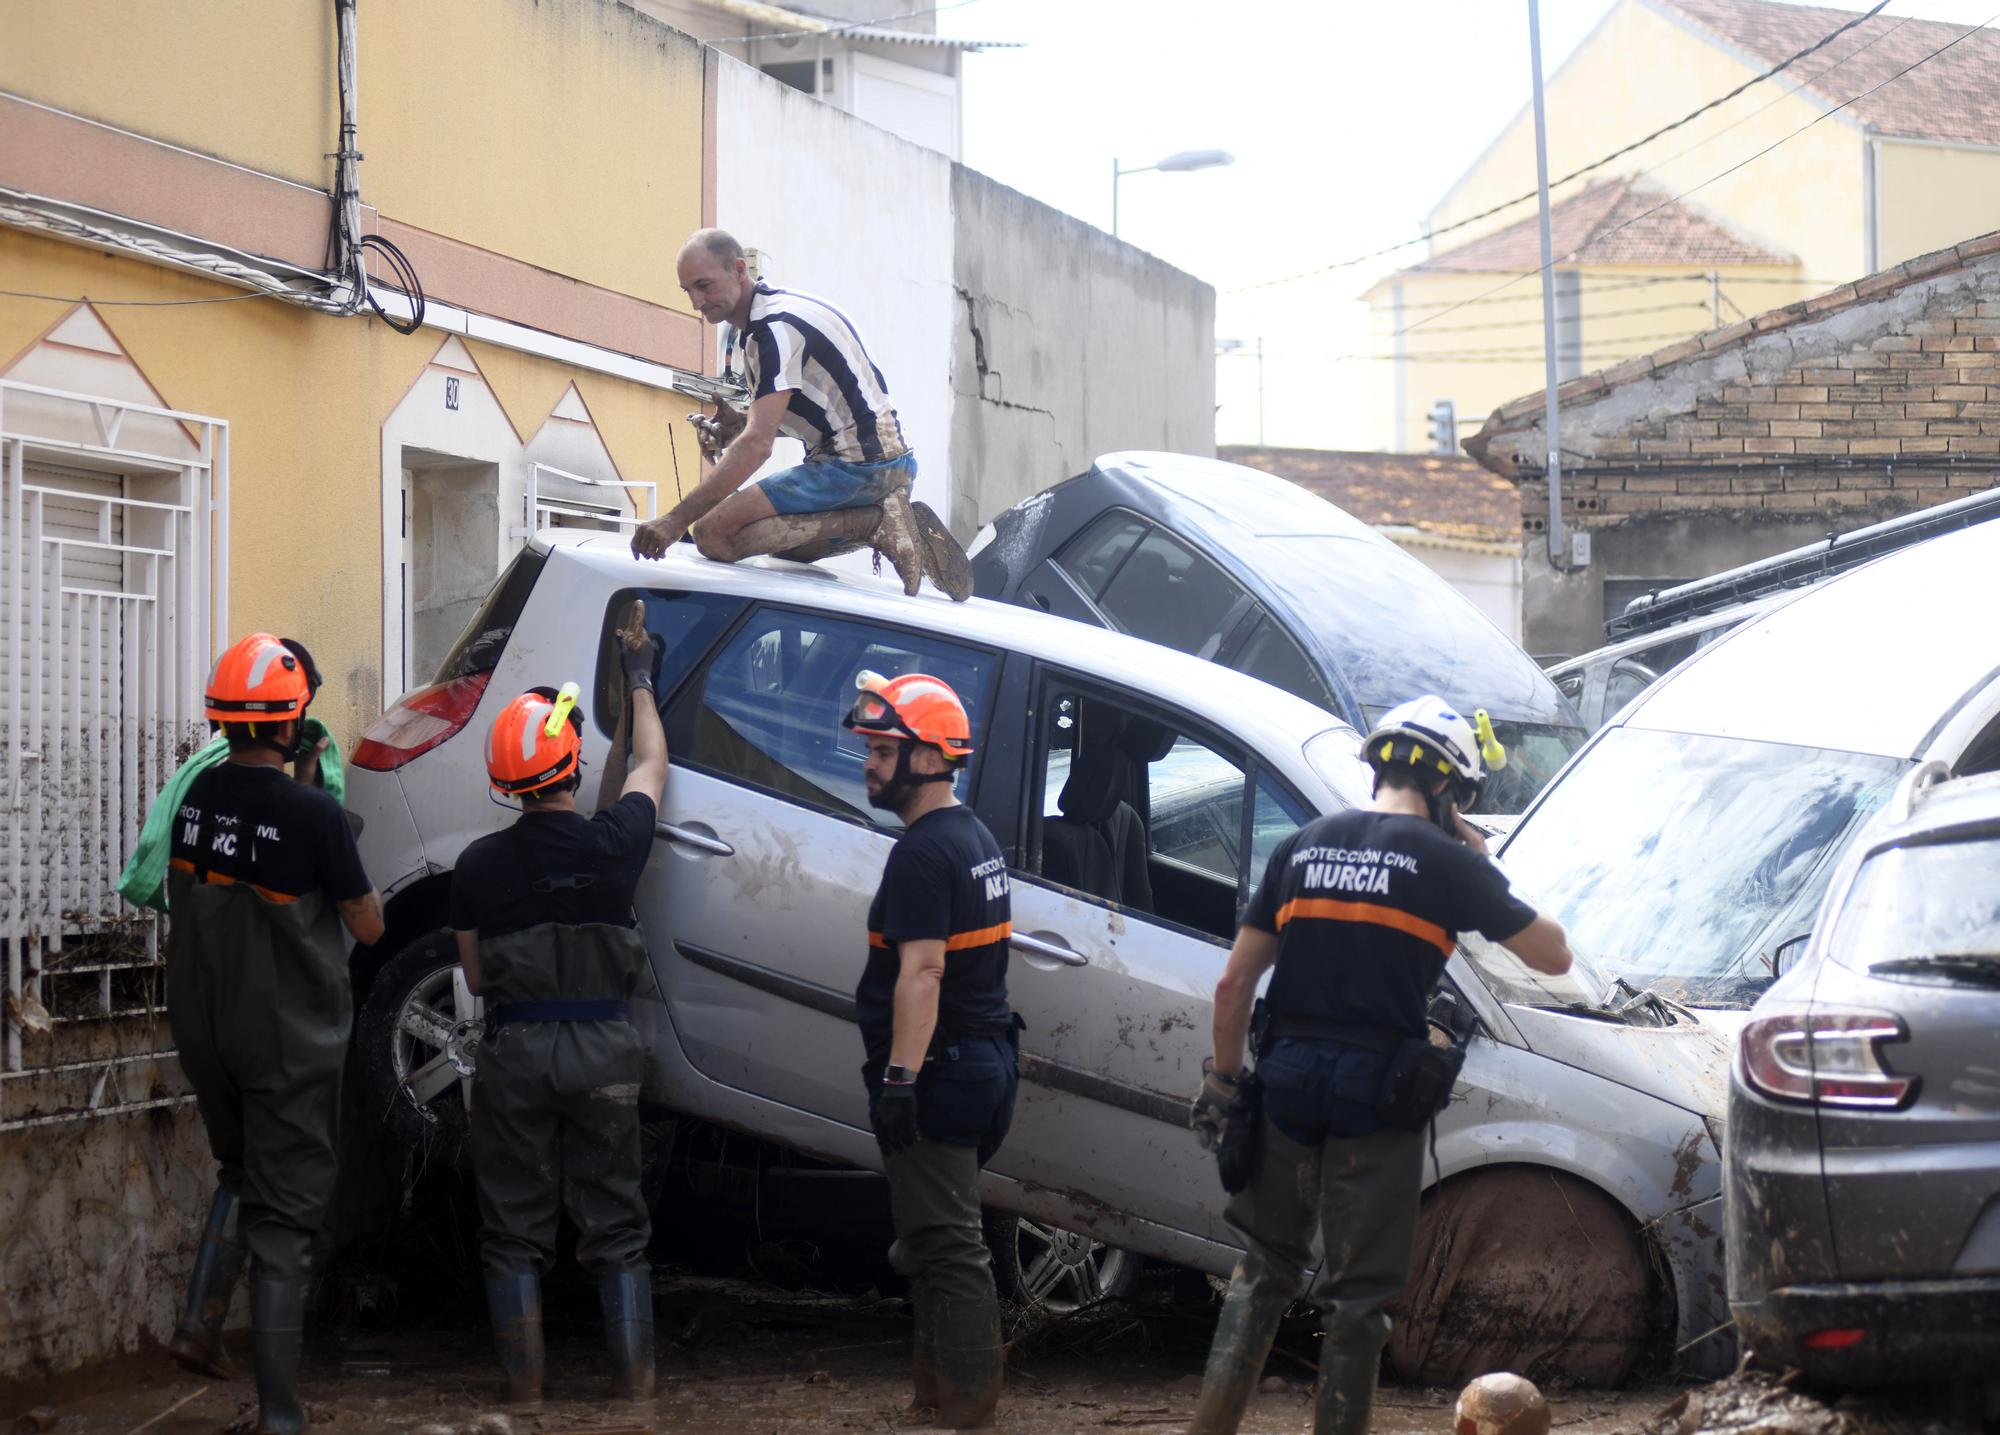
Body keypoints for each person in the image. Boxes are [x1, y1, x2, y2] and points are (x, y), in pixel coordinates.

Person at [1185, 697, 1574, 1435]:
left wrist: (1225, 1084)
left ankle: (1208, 1426)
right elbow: (1554, 955)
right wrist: (1482, 865)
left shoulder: (1300, 845)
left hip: (1288, 1082)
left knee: (1264, 1267)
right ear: (1449, 791)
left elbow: (1235, 983)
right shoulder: (1448, 864)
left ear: (1379, 771)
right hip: (1377, 1094)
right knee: (1358, 1298)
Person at [162, 632, 385, 1435]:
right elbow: (366, 925)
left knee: (241, 1169)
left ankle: (198, 1322)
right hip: (285, 1040)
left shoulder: (193, 800)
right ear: (294, 722)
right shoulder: (316, 814)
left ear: (225, 718)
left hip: (206, 1030)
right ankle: (282, 1417)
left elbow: (241, 851)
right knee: (287, 1219)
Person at [450, 602, 671, 1405]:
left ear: (505, 779)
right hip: (606, 1052)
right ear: (571, 762)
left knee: (512, 1232)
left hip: (516, 1059)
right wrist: (639, 679)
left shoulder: (476, 867)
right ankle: (637, 1392)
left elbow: (474, 980)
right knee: (617, 1228)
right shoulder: (615, 844)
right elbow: (650, 765)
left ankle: (527, 1395)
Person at [845, 672, 1018, 1428]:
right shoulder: (972, 836)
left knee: (948, 1247)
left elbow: (924, 970)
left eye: (885, 751)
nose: (870, 764)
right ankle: (933, 1400)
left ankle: (969, 1414)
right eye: (871, 749)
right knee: (928, 1236)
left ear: (929, 757)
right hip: (980, 1064)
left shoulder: (922, 854)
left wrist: (899, 1079)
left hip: (942, 1072)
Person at [630, 228, 971, 601]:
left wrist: (673, 520)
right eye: (688, 291)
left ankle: (877, 521)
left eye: (704, 285)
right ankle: (880, 518)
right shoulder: (771, 316)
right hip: (882, 462)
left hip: (857, 468)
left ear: (740, 270)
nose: (696, 301)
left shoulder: (771, 330)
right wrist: (740, 426)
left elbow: (758, 447)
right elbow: (810, 411)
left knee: (714, 535)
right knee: (781, 544)